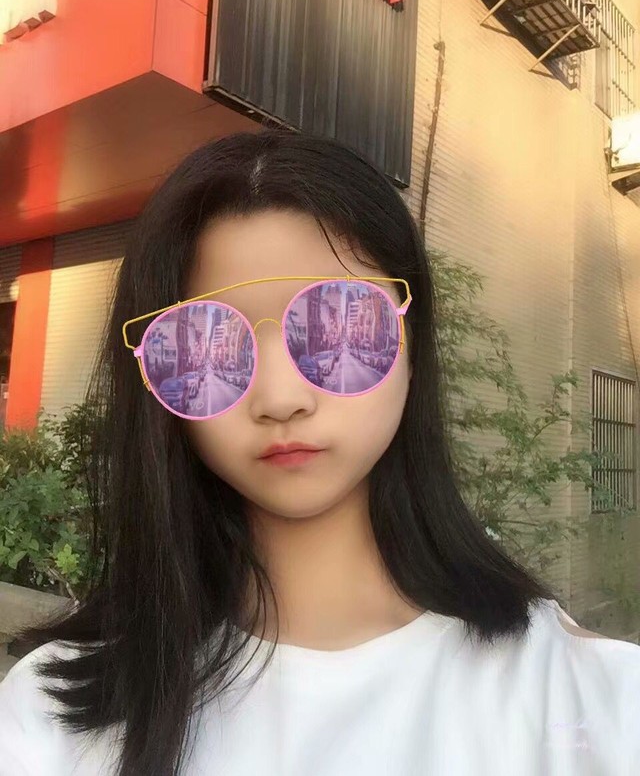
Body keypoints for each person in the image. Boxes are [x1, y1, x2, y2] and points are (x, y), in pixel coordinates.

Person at [0, 128, 638, 776]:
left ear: (412, 343)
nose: (279, 398)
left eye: (338, 325)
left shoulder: (588, 705)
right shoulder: (50, 717)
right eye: (205, 345)